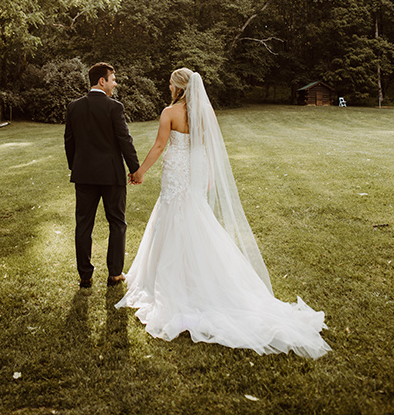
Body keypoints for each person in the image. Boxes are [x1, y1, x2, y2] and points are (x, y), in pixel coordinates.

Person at [117, 68, 331, 358]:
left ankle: (172, 283)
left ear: (179, 87)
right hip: (194, 172)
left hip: (176, 171)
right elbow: (208, 148)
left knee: (174, 215)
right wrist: (208, 178)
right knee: (195, 217)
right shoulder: (205, 112)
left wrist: (140, 171)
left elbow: (159, 145)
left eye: (170, 83)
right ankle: (198, 274)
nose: (168, 87)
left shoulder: (169, 112)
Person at [64, 62, 139, 288]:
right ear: (101, 81)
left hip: (84, 175)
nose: (115, 83)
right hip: (111, 176)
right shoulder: (114, 107)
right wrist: (135, 169)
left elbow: (69, 141)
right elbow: (124, 140)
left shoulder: (74, 107)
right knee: (117, 222)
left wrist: (75, 166)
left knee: (83, 225)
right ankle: (115, 274)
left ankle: (85, 275)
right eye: (113, 79)